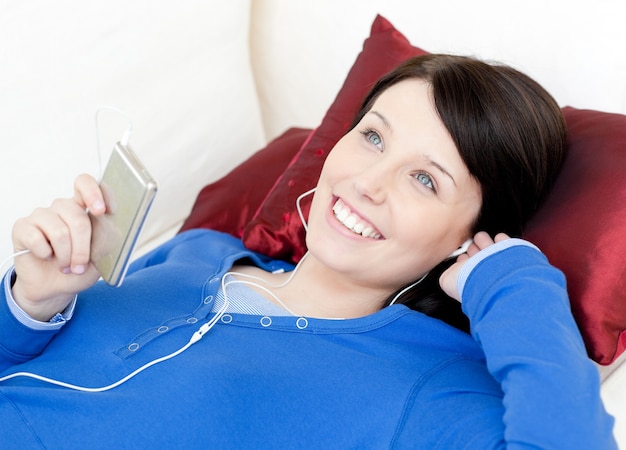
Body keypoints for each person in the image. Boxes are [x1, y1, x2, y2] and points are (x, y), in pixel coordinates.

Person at [0, 55, 617, 449]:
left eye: (425, 179)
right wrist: (30, 298)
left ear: (468, 238)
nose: (367, 183)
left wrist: (511, 281)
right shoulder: (197, 250)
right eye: (373, 137)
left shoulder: (430, 386)